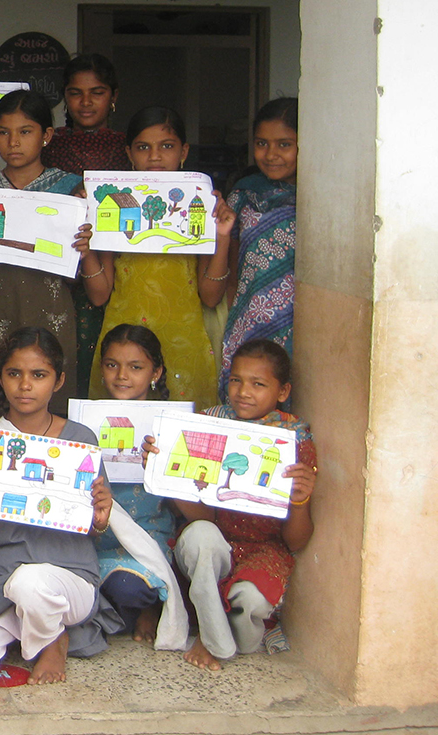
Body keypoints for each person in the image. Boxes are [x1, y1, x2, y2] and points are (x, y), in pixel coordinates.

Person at [0, 327, 114, 690]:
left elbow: (92, 523)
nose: (25, 385)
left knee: (31, 583)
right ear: (0, 377)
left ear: (58, 381)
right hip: (4, 578)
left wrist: (100, 519)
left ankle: (53, 639)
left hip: (68, 580)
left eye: (38, 375)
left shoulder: (80, 440)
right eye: (14, 373)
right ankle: (34, 629)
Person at [159, 338, 316, 671]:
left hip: (265, 550)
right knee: (201, 536)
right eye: (236, 380)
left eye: (258, 384)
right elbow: (203, 517)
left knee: (250, 601)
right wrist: (168, 474)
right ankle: (213, 639)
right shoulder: (208, 426)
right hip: (213, 546)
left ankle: (222, 632)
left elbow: (296, 542)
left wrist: (300, 500)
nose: (243, 392)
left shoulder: (294, 443)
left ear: (283, 391)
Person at [83, 107, 234, 409]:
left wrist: (223, 236)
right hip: (124, 344)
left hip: (183, 341)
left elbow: (210, 295)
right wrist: (86, 249)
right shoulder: (115, 203)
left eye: (166, 146)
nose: (155, 156)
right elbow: (99, 295)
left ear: (183, 151)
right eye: (143, 147)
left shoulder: (198, 202)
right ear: (129, 153)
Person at [0, 90, 95, 410]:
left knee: (47, 395)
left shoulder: (71, 189)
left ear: (46, 135)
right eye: (3, 132)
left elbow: (74, 276)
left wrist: (83, 245)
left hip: (50, 309)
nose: (14, 142)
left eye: (25, 132)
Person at [40, 55, 130, 391]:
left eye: (97, 92)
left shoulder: (128, 148)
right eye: (76, 93)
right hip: (56, 266)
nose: (86, 102)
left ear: (114, 96)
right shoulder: (49, 145)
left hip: (115, 265)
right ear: (65, 96)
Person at [89, 324, 178, 642]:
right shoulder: (84, 423)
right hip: (93, 538)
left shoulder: (172, 429)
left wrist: (164, 471)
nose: (122, 375)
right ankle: (124, 614)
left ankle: (146, 605)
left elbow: (191, 507)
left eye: (136, 367)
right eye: (112, 365)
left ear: (156, 372)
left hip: (147, 538)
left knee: (129, 587)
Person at [217, 99, 298, 403]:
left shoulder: (319, 196)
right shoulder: (245, 193)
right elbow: (233, 269)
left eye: (284, 144)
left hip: (299, 325)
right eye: (262, 143)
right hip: (248, 320)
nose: (271, 154)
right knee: (244, 397)